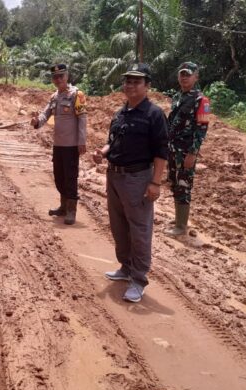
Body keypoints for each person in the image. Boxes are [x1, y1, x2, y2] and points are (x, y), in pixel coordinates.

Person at [92, 63, 168, 303]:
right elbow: (112, 141)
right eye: (127, 81)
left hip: (138, 178)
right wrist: (102, 152)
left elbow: (161, 152)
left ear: (147, 86)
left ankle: (138, 279)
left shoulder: (154, 114)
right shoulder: (120, 113)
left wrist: (155, 183)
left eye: (136, 81)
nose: (130, 85)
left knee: (139, 229)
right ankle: (125, 267)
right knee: (118, 226)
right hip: (114, 176)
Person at [31, 63, 88, 225]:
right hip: (58, 145)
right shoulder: (54, 97)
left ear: (67, 76)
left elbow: (83, 119)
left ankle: (71, 210)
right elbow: (45, 114)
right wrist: (37, 121)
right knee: (59, 177)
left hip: (71, 145)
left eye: (61, 76)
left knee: (70, 177)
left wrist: (81, 141)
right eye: (55, 77)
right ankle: (63, 206)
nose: (58, 79)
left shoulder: (77, 95)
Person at [164, 61, 210, 236]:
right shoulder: (177, 97)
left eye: (188, 74)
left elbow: (202, 129)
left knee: (184, 185)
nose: (184, 77)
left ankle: (181, 227)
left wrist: (193, 153)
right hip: (173, 150)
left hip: (186, 152)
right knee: (175, 183)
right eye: (182, 74)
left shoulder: (201, 100)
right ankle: (179, 219)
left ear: (196, 77)